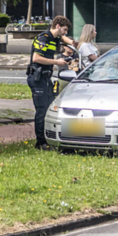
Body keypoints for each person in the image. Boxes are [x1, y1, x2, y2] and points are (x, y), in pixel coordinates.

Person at [27, 15, 77, 150]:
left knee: (49, 108)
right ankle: (40, 143)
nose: (65, 33)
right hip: (37, 78)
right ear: (58, 27)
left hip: (45, 78)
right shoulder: (43, 39)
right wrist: (57, 62)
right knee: (42, 110)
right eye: (65, 30)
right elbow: (36, 58)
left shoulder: (55, 38)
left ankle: (47, 139)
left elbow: (63, 38)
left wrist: (72, 43)